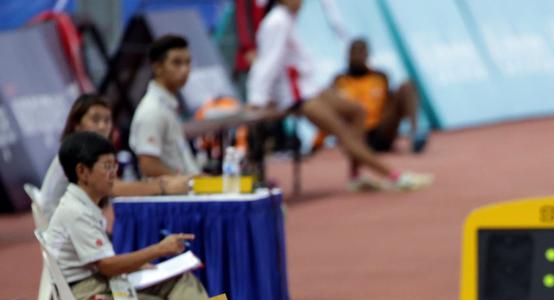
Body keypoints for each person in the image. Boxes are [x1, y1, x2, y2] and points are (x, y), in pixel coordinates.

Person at [246, 0, 431, 192]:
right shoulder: (276, 23)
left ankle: (355, 176)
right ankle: (394, 176)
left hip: (310, 88)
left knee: (357, 111)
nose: (302, 2)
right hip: (296, 97)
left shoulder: (286, 19)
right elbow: (267, 65)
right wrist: (257, 100)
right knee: (344, 133)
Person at [45, 131, 208, 300]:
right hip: (88, 298)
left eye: (114, 166)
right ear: (82, 171)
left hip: (100, 284)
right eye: (107, 166)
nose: (114, 173)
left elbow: (104, 265)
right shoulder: (75, 211)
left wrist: (137, 264)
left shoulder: (83, 205)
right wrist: (159, 249)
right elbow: (107, 266)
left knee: (181, 280)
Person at [38, 94, 190, 218]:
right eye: (95, 120)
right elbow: (113, 188)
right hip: (62, 226)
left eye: (107, 120)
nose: (103, 126)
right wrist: (162, 187)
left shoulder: (91, 151)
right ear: (77, 124)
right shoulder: (76, 150)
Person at [332, 38, 428, 158]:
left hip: (381, 130)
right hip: (357, 134)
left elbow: (390, 103)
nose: (357, 56)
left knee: (408, 86)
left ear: (367, 55)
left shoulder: (380, 76)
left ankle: (415, 132)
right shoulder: (339, 80)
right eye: (354, 52)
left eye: (361, 52)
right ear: (348, 55)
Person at [130, 35, 200, 177]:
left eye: (187, 62)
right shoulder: (152, 110)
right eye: (177, 63)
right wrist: (189, 182)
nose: (185, 70)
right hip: (173, 190)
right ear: (157, 67)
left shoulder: (167, 105)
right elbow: (148, 166)